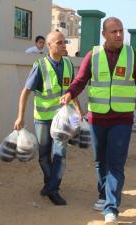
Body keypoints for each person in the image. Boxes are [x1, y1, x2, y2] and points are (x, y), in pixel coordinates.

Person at [60, 17, 136, 225]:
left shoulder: (132, 56)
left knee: (116, 163)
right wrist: (69, 94)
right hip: (97, 118)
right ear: (104, 34)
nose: (118, 34)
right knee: (100, 161)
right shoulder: (93, 55)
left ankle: (111, 207)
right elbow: (80, 80)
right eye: (114, 31)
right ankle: (103, 194)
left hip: (122, 119)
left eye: (121, 31)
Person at [14, 31, 83, 206]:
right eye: (59, 43)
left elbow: (72, 91)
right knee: (44, 156)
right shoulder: (40, 65)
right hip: (43, 118)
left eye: (64, 42)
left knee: (60, 153)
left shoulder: (68, 63)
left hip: (62, 120)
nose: (63, 45)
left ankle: (53, 189)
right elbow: (25, 92)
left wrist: (78, 111)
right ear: (49, 46)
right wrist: (20, 117)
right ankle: (50, 184)